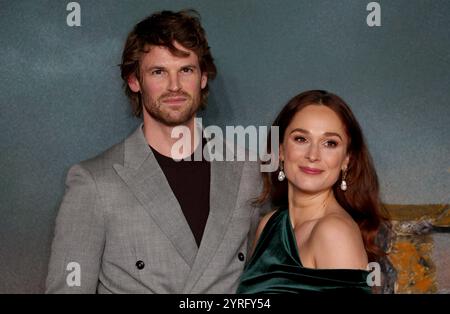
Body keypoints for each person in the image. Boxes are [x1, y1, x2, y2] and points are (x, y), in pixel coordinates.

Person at [46, 10, 266, 293]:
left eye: (185, 70)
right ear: (134, 81)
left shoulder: (246, 169)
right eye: (158, 72)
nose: (174, 86)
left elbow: (262, 283)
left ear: (202, 77)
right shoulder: (93, 182)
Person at [237, 90, 390, 293]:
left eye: (330, 143)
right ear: (281, 150)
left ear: (346, 160)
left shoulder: (334, 232)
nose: (313, 155)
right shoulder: (269, 224)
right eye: (301, 139)